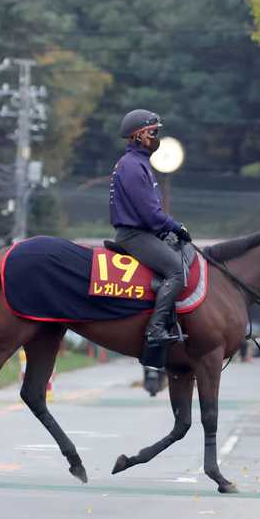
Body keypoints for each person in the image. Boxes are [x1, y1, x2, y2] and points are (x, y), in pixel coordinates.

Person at [109, 109, 191, 345]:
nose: (156, 138)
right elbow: (150, 214)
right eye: (153, 132)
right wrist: (176, 227)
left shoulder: (139, 163)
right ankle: (155, 330)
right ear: (138, 135)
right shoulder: (133, 166)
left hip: (142, 231)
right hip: (134, 235)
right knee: (177, 271)